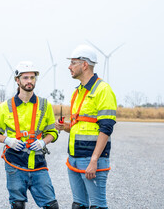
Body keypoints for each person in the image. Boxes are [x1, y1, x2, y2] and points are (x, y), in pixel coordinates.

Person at [0, 61, 59, 209]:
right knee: (17, 204)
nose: (29, 81)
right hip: (15, 163)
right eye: (25, 78)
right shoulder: (5, 106)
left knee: (51, 205)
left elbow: (52, 132)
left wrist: (43, 142)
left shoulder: (45, 105)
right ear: (17, 80)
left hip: (38, 163)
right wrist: (7, 140)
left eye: (32, 77)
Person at [55, 45, 117, 209]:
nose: (69, 67)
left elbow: (106, 127)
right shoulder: (77, 92)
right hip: (74, 158)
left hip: (92, 160)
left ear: (84, 65)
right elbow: (81, 126)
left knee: (97, 206)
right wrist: (65, 127)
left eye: (73, 63)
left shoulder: (103, 90)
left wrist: (94, 160)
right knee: (79, 205)